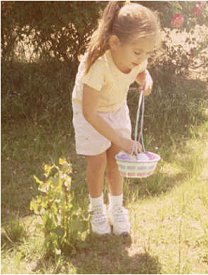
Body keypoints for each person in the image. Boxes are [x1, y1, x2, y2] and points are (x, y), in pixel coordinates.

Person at [71, 1, 161, 236]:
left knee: (117, 159)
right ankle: (96, 208)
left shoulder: (136, 59)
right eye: (138, 51)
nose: (142, 58)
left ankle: (117, 207)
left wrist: (145, 80)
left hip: (116, 108)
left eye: (147, 53)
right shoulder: (98, 65)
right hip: (90, 112)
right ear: (114, 43)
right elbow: (90, 114)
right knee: (98, 160)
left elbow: (142, 72)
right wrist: (124, 140)